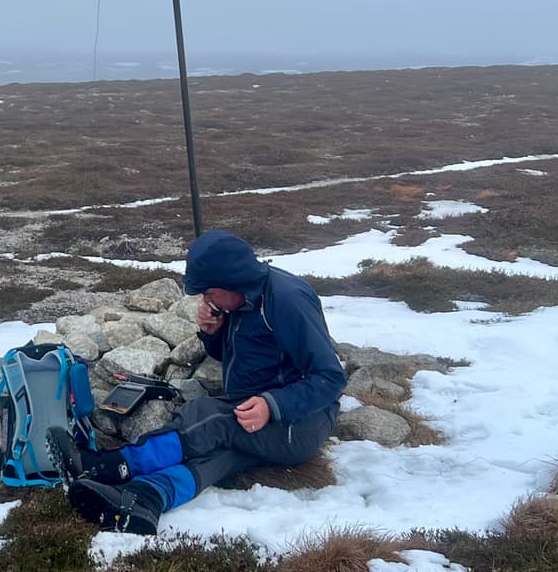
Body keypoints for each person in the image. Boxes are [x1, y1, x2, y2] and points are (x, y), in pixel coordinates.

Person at [52, 229, 346, 534]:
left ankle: (111, 465)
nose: (205, 299)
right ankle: (146, 499)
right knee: (221, 456)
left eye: (208, 292)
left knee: (208, 417)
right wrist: (212, 333)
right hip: (257, 412)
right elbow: (239, 357)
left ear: (231, 282)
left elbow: (330, 377)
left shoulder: (287, 300)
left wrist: (272, 406)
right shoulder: (238, 300)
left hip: (300, 423)